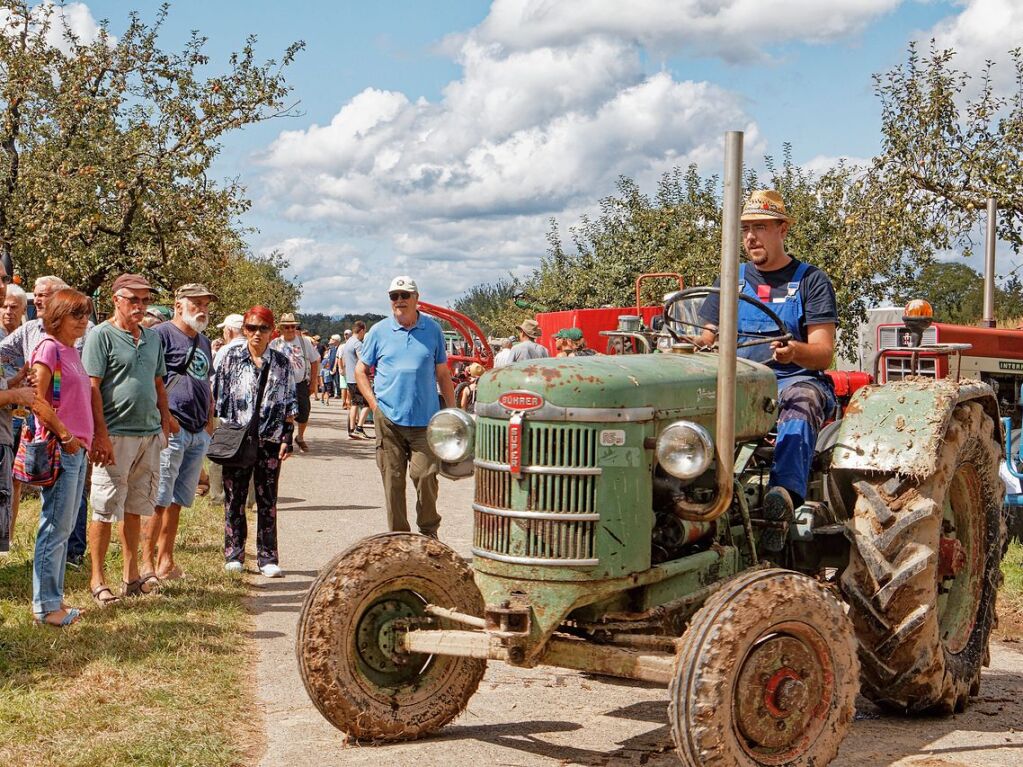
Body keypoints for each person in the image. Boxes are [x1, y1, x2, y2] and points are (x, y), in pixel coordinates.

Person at [697, 190, 838, 550]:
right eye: (745, 229)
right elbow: (705, 336)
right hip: (738, 382)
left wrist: (795, 352)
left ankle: (783, 499)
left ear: (783, 228)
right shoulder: (731, 279)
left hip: (792, 379)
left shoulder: (810, 281)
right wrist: (698, 343)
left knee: (801, 400)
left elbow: (823, 354)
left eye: (760, 227)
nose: (750, 237)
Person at [85, 273, 177, 606]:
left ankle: (132, 576)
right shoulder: (101, 335)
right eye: (133, 299)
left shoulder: (152, 338)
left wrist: (165, 420)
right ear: (116, 300)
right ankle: (97, 579)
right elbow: (92, 387)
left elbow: (157, 383)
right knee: (104, 508)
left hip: (148, 434)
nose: (140, 306)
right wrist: (100, 434)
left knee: (137, 507)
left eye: (144, 300)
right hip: (114, 435)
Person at [0, 275, 94, 568]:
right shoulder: (43, 341)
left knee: (64, 515)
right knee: (54, 519)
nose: (38, 300)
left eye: (44, 295)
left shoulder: (75, 342)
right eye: (36, 295)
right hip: (54, 436)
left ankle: (71, 557)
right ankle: (46, 601)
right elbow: (41, 400)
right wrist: (13, 385)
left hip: (73, 439)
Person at [356, 276, 454, 537]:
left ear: (416, 298)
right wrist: (374, 406)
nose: (399, 301)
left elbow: (443, 375)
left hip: (425, 421)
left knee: (425, 477)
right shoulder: (378, 331)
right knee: (393, 481)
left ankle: (429, 531)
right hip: (388, 420)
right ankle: (399, 537)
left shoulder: (433, 330)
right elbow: (360, 370)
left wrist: (453, 414)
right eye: (394, 296)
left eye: (404, 295)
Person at [141, 284, 217, 583]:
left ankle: (165, 561)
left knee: (178, 501)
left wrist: (210, 418)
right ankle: (146, 566)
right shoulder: (160, 335)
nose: (202, 309)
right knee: (157, 499)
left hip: (198, 430)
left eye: (206, 304)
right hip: (171, 428)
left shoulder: (205, 341)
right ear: (178, 304)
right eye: (196, 303)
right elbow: (150, 379)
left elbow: (204, 381)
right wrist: (164, 417)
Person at [212, 306, 296, 578]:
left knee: (267, 500)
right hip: (237, 438)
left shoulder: (282, 363)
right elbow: (219, 398)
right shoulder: (230, 358)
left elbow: (289, 404)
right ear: (243, 330)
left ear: (272, 331)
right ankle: (234, 553)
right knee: (234, 497)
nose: (256, 334)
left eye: (262, 328)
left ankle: (267, 557)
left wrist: (287, 438)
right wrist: (222, 432)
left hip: (269, 439)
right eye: (251, 328)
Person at [28, 289, 94, 626]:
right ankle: (45, 608)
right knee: (54, 526)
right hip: (61, 447)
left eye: (85, 314)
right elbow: (37, 401)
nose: (83, 321)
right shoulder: (50, 348)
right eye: (75, 314)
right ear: (57, 316)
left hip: (77, 449)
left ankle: (53, 599)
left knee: (64, 527)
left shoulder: (71, 351)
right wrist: (66, 436)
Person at [0, 265, 37, 556]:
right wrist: (16, 392)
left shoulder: (25, 336)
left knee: (13, 483)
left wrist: (14, 381)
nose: (9, 311)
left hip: (11, 422)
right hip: (7, 418)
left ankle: (8, 539)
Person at [269, 313, 318, 452]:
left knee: (304, 412)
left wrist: (314, 382)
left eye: (293, 326)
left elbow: (315, 361)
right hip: (281, 385)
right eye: (287, 327)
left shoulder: (304, 342)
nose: (290, 329)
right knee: (284, 413)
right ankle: (285, 439)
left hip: (300, 383)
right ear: (281, 328)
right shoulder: (275, 344)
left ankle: (300, 437)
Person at [342, 320, 369, 439]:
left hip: (349, 377)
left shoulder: (347, 343)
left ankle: (351, 429)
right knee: (368, 403)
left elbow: (343, 360)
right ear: (362, 330)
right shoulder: (358, 344)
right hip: (358, 378)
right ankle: (359, 428)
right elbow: (362, 360)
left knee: (354, 403)